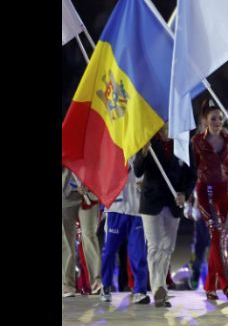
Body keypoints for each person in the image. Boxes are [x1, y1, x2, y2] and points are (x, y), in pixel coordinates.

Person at [135, 123, 195, 307]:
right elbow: (138, 171)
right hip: (151, 202)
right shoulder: (149, 142)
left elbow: (192, 174)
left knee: (167, 247)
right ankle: (159, 290)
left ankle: (160, 285)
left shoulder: (183, 143)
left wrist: (184, 193)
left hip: (174, 202)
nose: (168, 125)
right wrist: (143, 153)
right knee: (155, 246)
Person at [191, 98, 228, 300]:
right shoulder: (197, 142)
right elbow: (192, 171)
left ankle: (210, 286)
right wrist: (190, 199)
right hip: (206, 193)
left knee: (220, 239)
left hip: (227, 192)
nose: (218, 122)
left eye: (220, 118)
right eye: (213, 118)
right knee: (216, 235)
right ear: (205, 120)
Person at [99, 157, 150, 304]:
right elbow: (103, 178)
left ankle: (140, 290)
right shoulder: (112, 151)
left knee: (138, 253)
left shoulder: (143, 150)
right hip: (115, 209)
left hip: (136, 210)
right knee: (109, 251)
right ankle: (106, 286)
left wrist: (145, 185)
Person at [62, 168, 102, 297]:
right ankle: (67, 285)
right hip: (65, 195)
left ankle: (96, 282)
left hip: (88, 193)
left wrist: (87, 182)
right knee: (66, 240)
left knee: (89, 235)